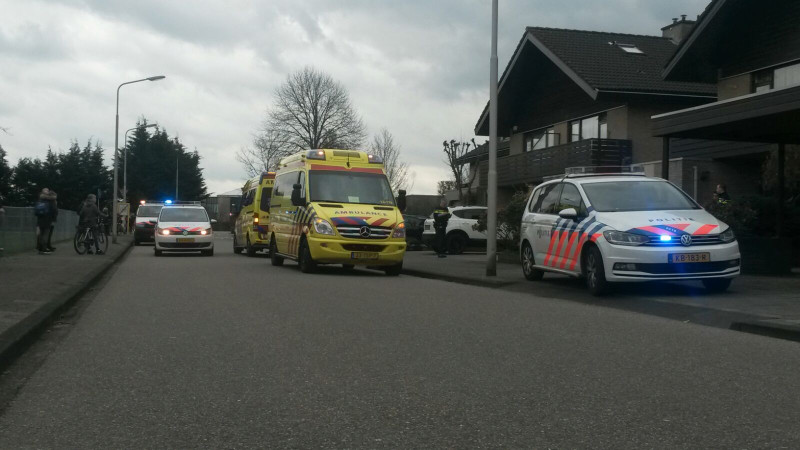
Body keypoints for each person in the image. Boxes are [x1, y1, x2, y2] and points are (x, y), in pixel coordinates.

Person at [34, 188, 57, 255]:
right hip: (48, 219)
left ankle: (40, 248)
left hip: (40, 218)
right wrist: (53, 218)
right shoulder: (51, 200)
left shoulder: (40, 199)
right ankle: (44, 249)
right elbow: (54, 210)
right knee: (46, 234)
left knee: (40, 234)